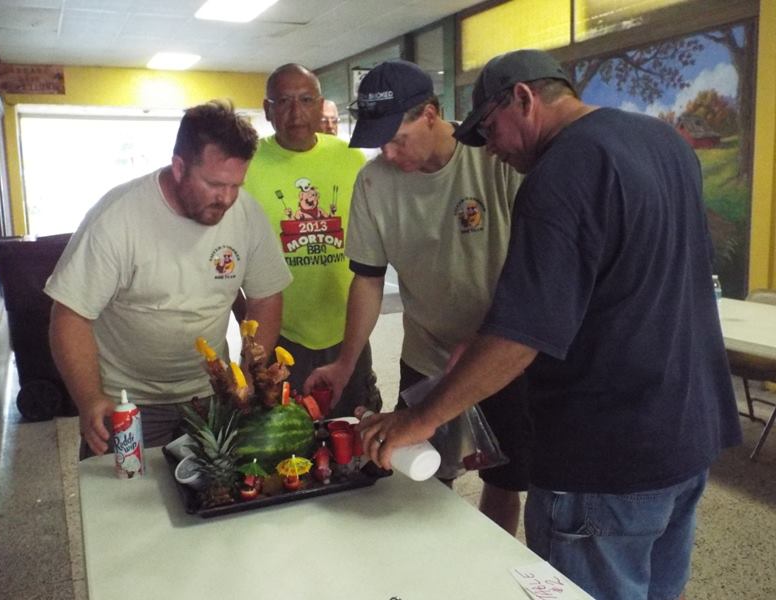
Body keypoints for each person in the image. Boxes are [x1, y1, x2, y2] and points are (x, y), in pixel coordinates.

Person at [356, 49, 743, 600]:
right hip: (687, 435)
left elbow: (522, 335)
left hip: (604, 457)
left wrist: (421, 417)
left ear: (524, 99)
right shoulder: (664, 142)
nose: (490, 148)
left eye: (490, 130)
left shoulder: (558, 174)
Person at [303, 59, 531, 535]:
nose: (388, 152)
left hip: (499, 355)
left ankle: (488, 566)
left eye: (397, 138)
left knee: (504, 479)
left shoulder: (494, 159)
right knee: (422, 474)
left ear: (431, 114)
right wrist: (345, 363)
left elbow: (534, 267)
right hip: (427, 357)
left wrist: (490, 337)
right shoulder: (373, 182)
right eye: (378, 142)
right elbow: (367, 280)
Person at [46, 100, 292, 457]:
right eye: (214, 184)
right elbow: (70, 315)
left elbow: (265, 298)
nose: (226, 198)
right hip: (127, 402)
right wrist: (89, 399)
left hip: (212, 394)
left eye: (236, 185)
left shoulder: (246, 214)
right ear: (179, 167)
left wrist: (248, 375)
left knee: (217, 488)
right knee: (123, 492)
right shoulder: (117, 218)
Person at [244, 63, 381, 417]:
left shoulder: (351, 157)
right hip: (280, 333)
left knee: (353, 424)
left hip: (347, 328)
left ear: (321, 106)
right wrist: (250, 332)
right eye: (284, 101)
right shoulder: (247, 165)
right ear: (267, 109)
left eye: (306, 100)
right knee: (284, 429)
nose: (296, 112)